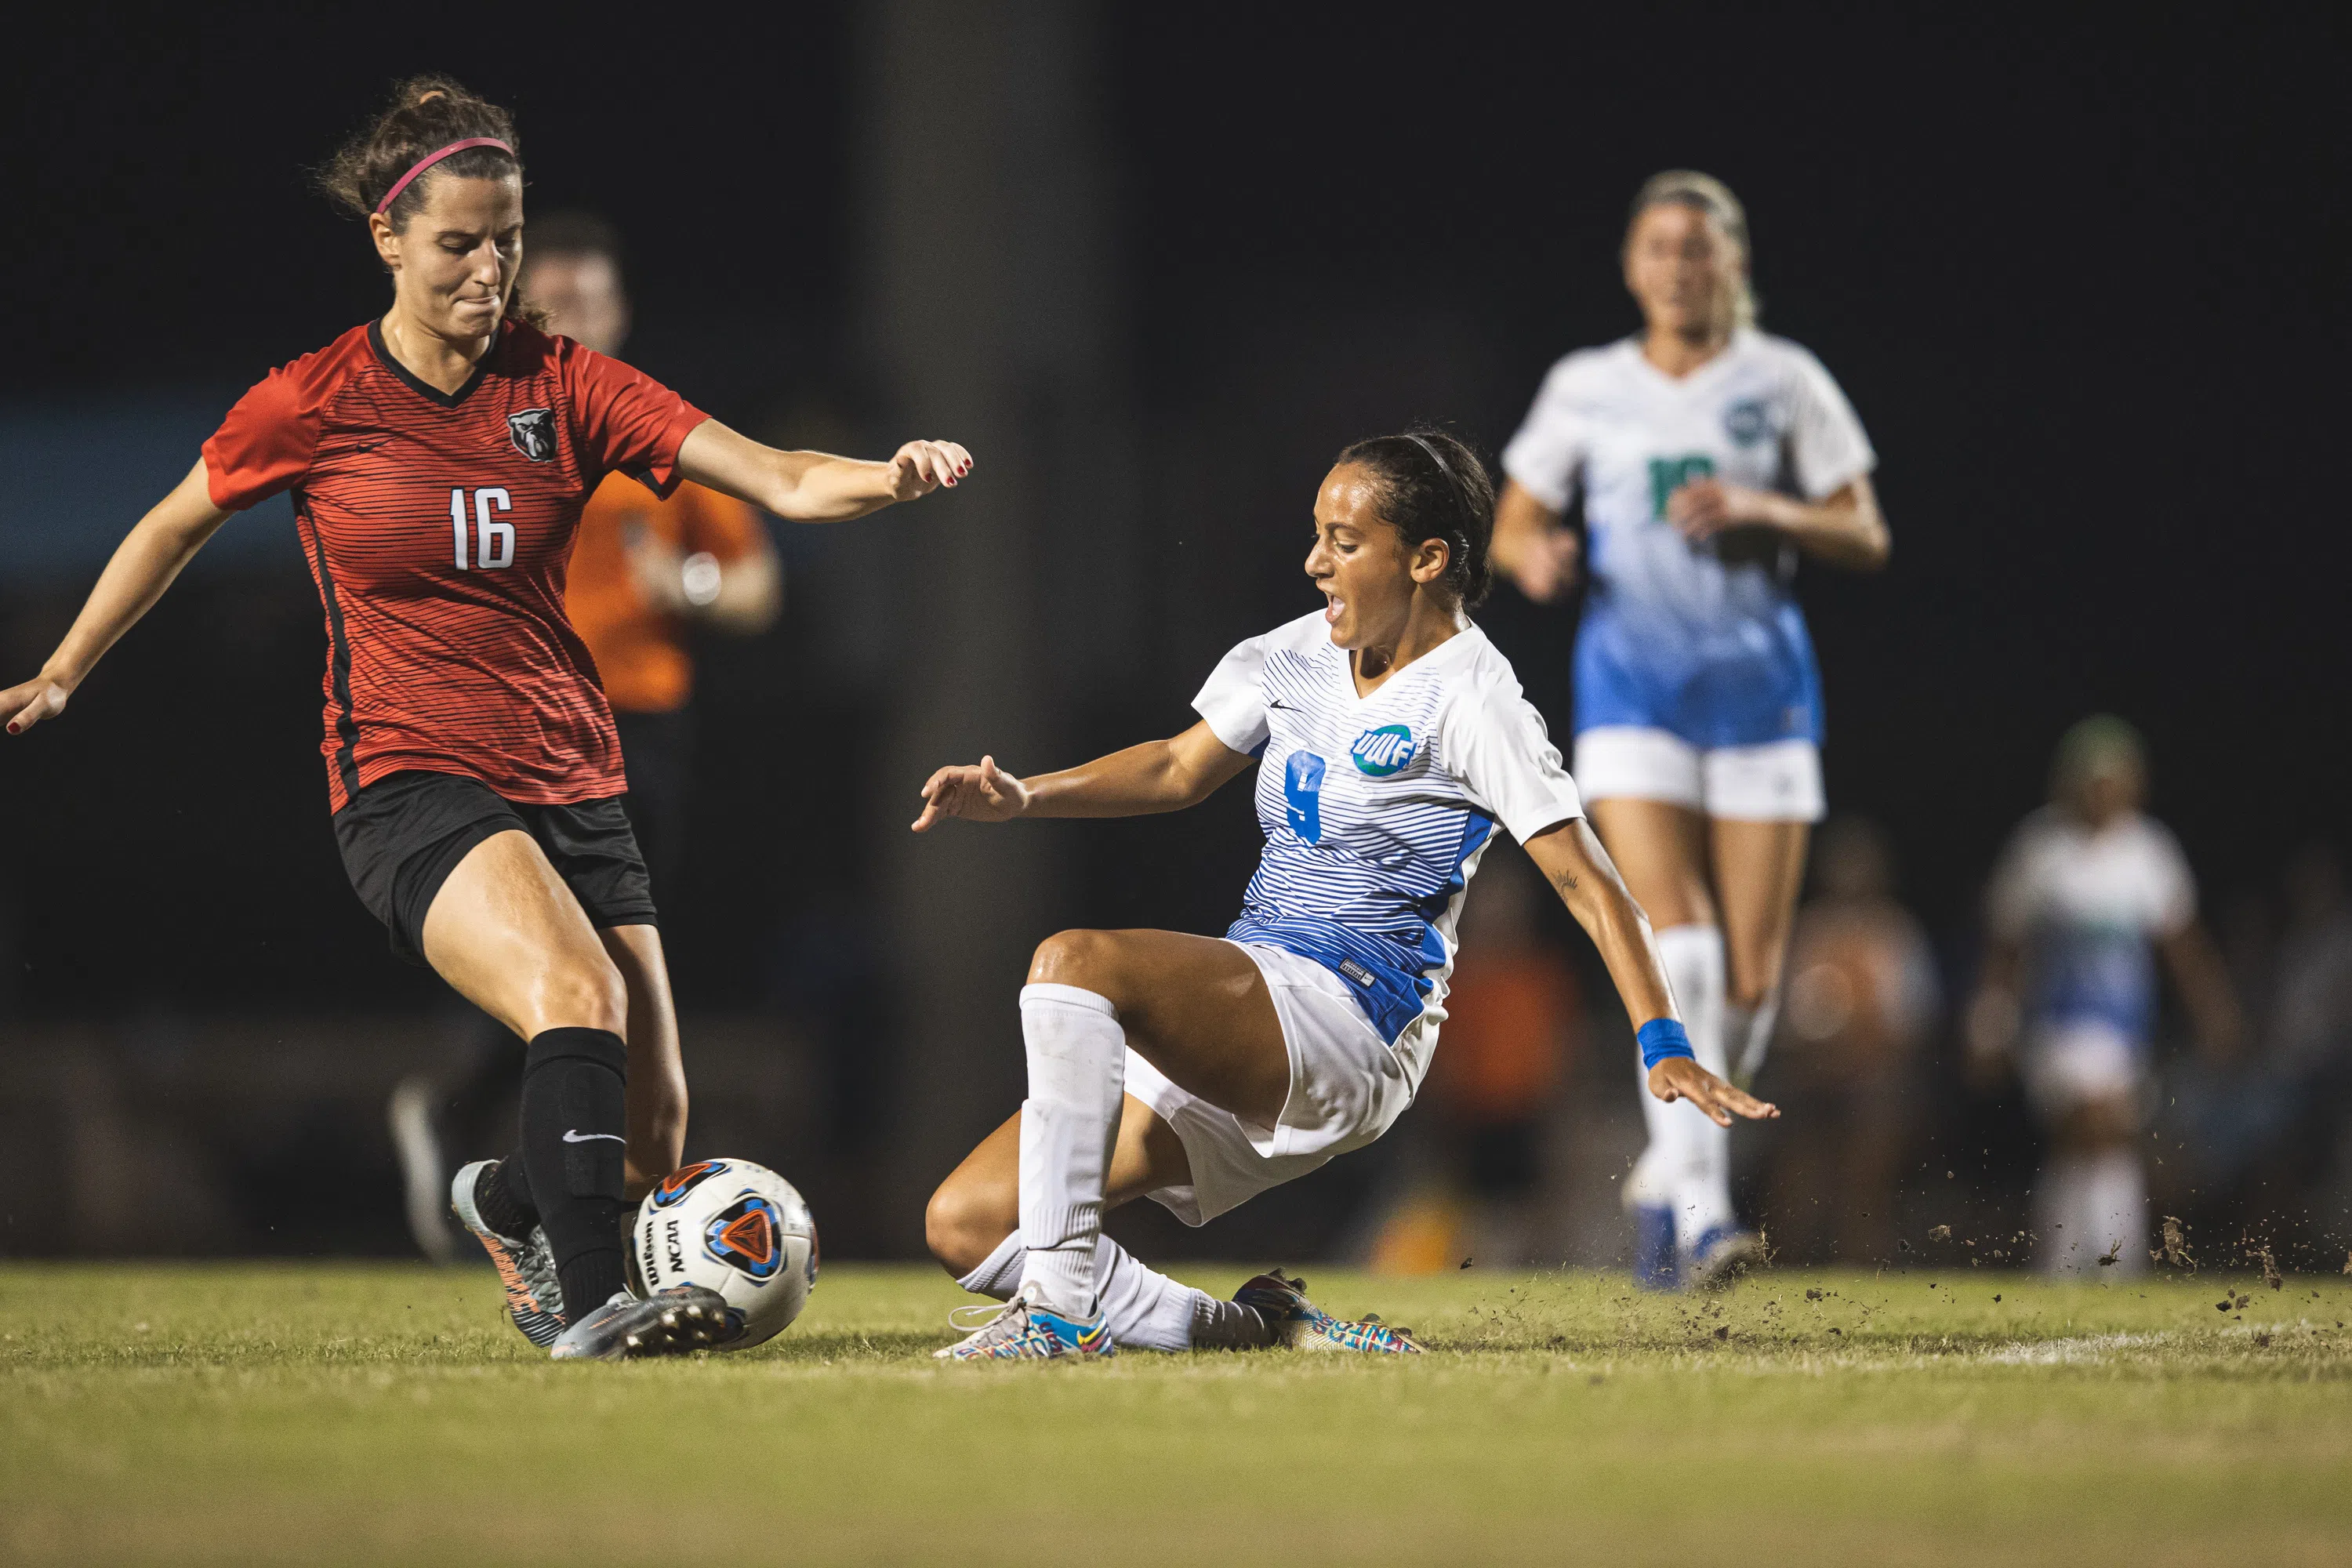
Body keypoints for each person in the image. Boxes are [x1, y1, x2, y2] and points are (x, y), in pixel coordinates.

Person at [0, 76, 971, 1359]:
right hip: (409, 780)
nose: (488, 267)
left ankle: (510, 1204)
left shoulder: (564, 385)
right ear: (388, 240)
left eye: (504, 240)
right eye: (459, 242)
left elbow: (782, 479)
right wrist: (68, 667)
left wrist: (886, 480)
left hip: (576, 771)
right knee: (575, 994)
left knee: (653, 1140)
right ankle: (589, 1310)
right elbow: (176, 522)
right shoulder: (315, 399)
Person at [912, 429, 1775, 1359]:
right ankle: (1253, 1328)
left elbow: (1591, 885)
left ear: (1427, 558)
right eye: (1318, 534)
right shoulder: (1298, 653)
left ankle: (1055, 1313)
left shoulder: (1474, 700)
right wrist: (1028, 794)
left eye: (1344, 540)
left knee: (1073, 963)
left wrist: (1665, 1041)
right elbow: (1174, 766)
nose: (1315, 560)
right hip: (1248, 1006)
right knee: (967, 1221)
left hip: (1351, 1020)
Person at [1490, 170, 1889, 1289]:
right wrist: (1536, 554)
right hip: (1633, 695)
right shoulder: (1588, 385)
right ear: (1632, 266)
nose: (1679, 266)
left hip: (1763, 701)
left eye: (1699, 249)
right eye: (1660, 247)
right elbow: (1519, 517)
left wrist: (1768, 506)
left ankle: (1670, 1168)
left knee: (1752, 996)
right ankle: (1704, 1215)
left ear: (1734, 267)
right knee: (1685, 938)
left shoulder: (1784, 380)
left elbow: (1865, 528)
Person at [385, 212, 783, 1260]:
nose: (582, 320)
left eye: (598, 302)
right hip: (512, 727)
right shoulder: (476, 421)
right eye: (559, 304)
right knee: (563, 967)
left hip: (641, 723)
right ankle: (543, 1208)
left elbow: (755, 586)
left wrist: (685, 584)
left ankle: (502, 1172)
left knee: (618, 983)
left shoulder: (657, 433)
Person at [1967, 717, 2239, 1276]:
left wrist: (2216, 1014)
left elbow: (2182, 947)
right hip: (2054, 1025)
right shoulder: (2039, 850)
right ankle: (2089, 1263)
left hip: (2125, 1030)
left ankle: (2091, 1268)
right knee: (2092, 1123)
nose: (2102, 791)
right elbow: (2005, 949)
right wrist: (1987, 1022)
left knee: (2105, 1146)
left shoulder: (2150, 853)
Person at [1754, 817, 1936, 1264]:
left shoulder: (1895, 935)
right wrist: (1819, 1053)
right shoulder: (1809, 933)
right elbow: (1781, 1024)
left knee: (1867, 1176)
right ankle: (1781, 1274)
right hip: (1811, 1083)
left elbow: (1913, 1025)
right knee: (1795, 1180)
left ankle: (1862, 1274)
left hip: (1873, 1084)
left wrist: (1860, 1050)